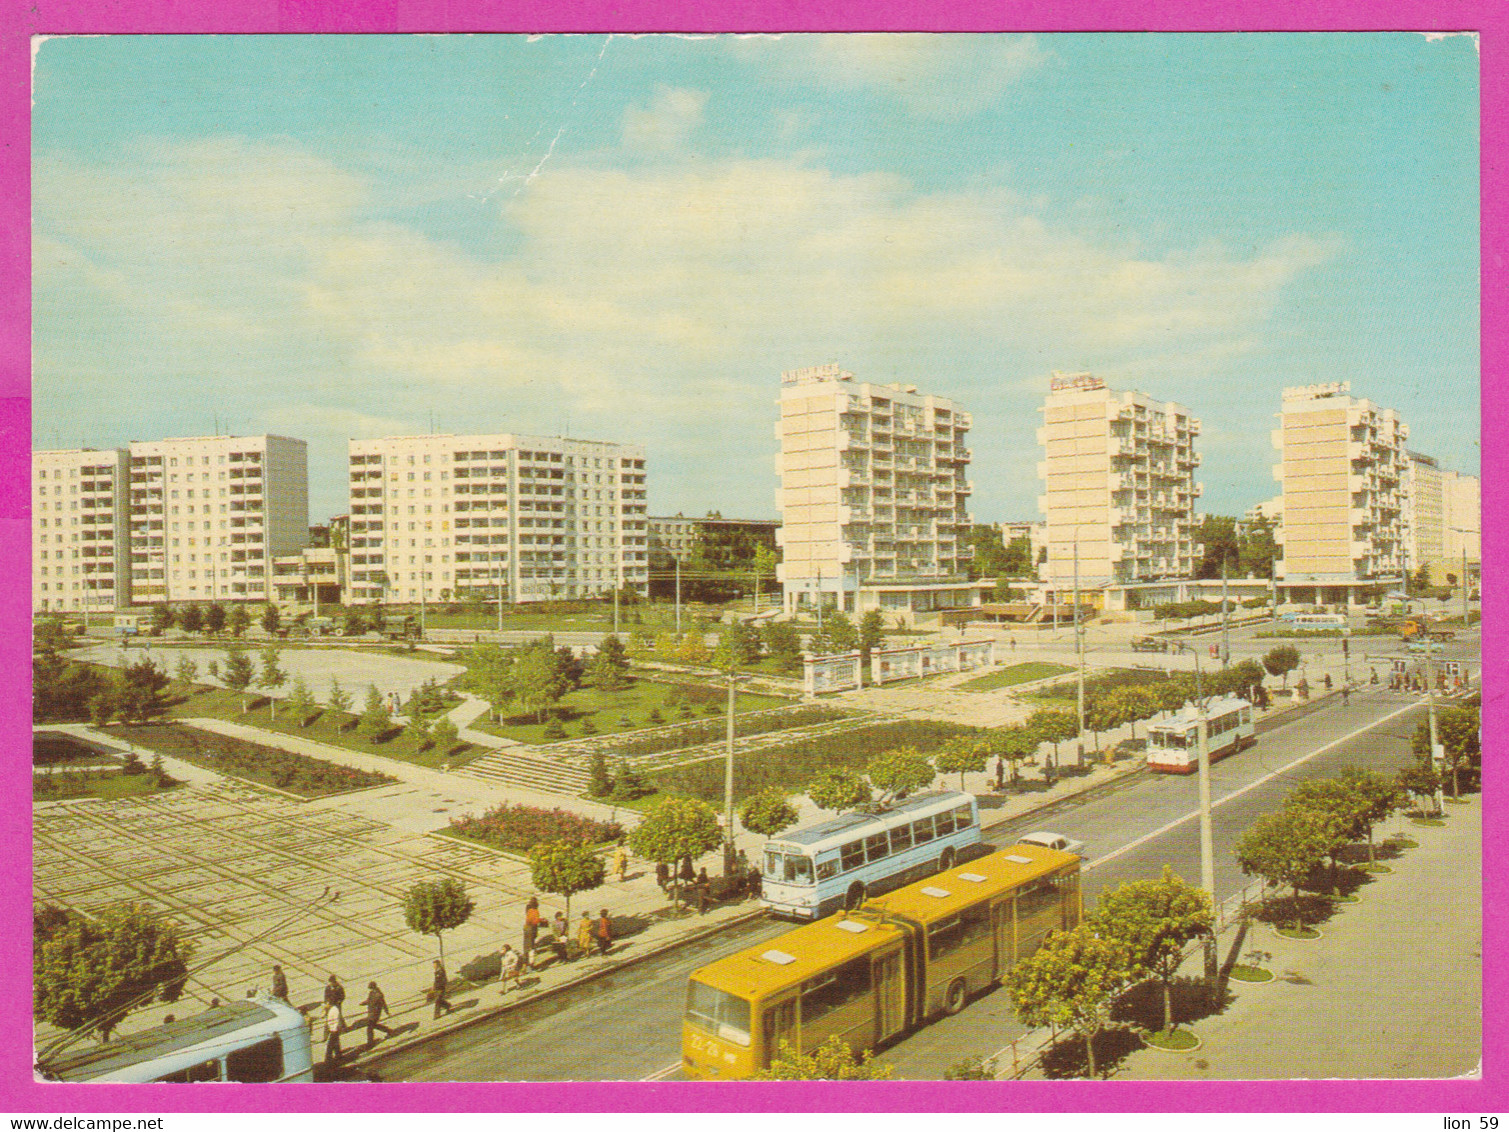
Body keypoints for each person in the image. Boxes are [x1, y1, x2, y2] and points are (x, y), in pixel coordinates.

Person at [363, 981, 394, 1046]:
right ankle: (389, 1031)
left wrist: (387, 1011)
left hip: (376, 1012)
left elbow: (383, 1003)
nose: (370, 989)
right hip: (371, 1011)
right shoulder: (371, 993)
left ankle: (370, 1043)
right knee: (373, 1025)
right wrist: (364, 1003)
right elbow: (369, 1000)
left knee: (370, 1027)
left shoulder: (379, 994)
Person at [522, 896, 541, 971]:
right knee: (531, 948)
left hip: (526, 928)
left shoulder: (528, 910)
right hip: (531, 929)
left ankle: (525, 965)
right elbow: (534, 921)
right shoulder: (535, 911)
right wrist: (540, 920)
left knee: (526, 947)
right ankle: (530, 965)